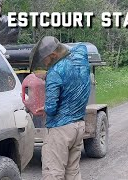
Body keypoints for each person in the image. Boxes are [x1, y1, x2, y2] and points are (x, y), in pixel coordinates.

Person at [30, 36, 91, 180]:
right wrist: (48, 76)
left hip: (60, 130)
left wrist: (43, 108)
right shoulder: (80, 59)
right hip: (78, 126)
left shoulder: (55, 72)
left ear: (53, 55)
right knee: (73, 172)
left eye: (44, 59)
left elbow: (51, 108)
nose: (44, 63)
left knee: (53, 173)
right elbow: (80, 47)